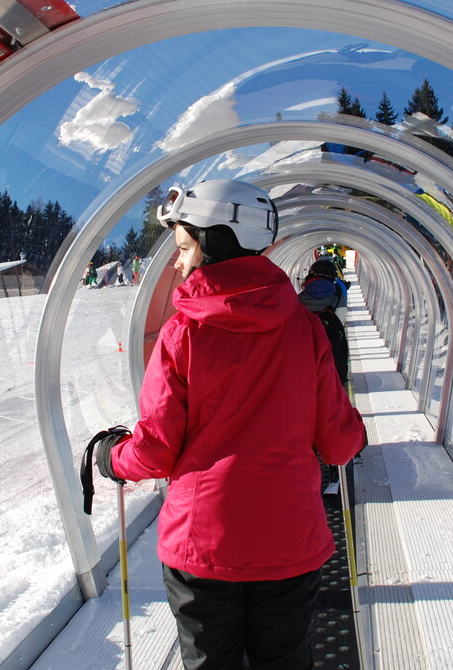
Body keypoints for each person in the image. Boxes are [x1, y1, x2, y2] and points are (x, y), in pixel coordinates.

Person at [87, 179, 365, 669]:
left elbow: (155, 451)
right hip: (290, 540)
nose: (177, 263)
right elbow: (340, 444)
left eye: (183, 248)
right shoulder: (305, 327)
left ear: (214, 244)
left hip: (203, 547)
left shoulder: (182, 333)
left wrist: (112, 457)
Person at [298, 259, 350, 387]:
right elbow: (340, 321)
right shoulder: (338, 298)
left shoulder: (299, 298)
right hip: (330, 352)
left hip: (303, 350)